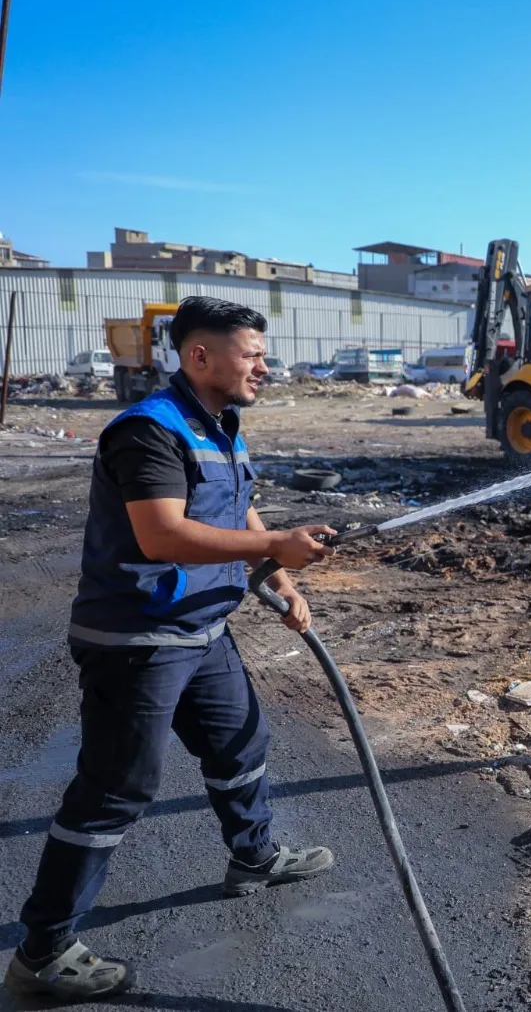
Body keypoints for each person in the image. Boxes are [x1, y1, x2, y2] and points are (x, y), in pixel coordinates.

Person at [6, 296, 339, 1002]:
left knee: (241, 743)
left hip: (202, 628)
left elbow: (233, 503)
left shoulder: (219, 424)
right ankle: (43, 951)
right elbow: (163, 535)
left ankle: (254, 857)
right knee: (115, 790)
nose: (264, 367)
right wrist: (275, 544)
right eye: (252, 354)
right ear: (199, 356)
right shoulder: (147, 431)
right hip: (138, 639)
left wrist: (274, 573)